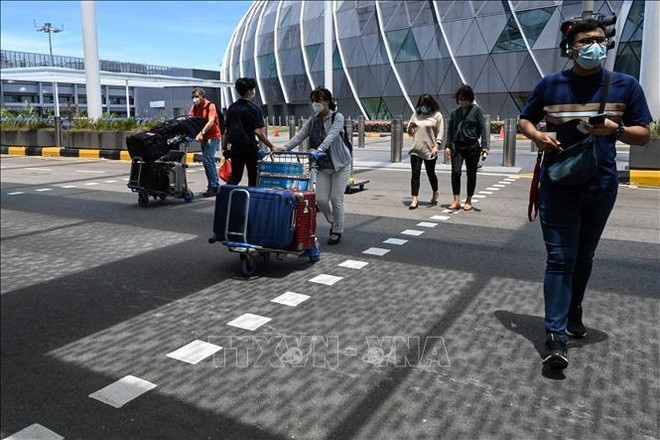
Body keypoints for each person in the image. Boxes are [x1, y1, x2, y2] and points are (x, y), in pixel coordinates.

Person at [519, 18, 652, 370]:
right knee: (560, 259)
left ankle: (574, 306)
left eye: (600, 39)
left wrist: (616, 128)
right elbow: (524, 119)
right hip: (558, 183)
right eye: (587, 41)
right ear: (570, 48)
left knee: (585, 256)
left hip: (601, 185)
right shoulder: (550, 85)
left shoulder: (625, 86)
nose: (596, 46)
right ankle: (555, 337)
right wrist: (537, 136)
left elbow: (644, 135)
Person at [277, 86, 351, 245]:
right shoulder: (312, 120)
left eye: (319, 101)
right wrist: (284, 148)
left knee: (336, 198)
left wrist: (320, 149)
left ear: (327, 102)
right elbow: (300, 136)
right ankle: (333, 221)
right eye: (313, 101)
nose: (316, 104)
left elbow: (332, 135)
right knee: (322, 200)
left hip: (341, 164)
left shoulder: (337, 117)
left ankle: (337, 229)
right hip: (323, 166)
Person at [223, 77, 277, 186]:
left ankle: (226, 197)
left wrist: (225, 147)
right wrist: (271, 146)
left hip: (235, 147)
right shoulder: (254, 109)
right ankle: (251, 200)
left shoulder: (232, 108)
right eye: (252, 89)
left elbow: (227, 130)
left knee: (235, 176)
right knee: (253, 176)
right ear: (249, 91)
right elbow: (257, 132)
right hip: (249, 148)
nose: (253, 91)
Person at [445, 84, 489, 211]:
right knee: (455, 172)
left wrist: (484, 146)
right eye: (461, 98)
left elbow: (482, 128)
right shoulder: (455, 113)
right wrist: (448, 146)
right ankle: (456, 199)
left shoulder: (477, 111)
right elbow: (450, 131)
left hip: (472, 146)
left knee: (471, 174)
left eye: (465, 99)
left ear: (470, 99)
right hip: (457, 146)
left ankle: (469, 200)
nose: (463, 101)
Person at [406, 94, 444, 209]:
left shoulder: (437, 116)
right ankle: (414, 198)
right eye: (422, 105)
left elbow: (440, 132)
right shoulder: (416, 114)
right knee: (415, 174)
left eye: (426, 105)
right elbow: (410, 132)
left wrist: (436, 146)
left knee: (430, 173)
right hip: (416, 149)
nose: (423, 107)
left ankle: (435, 192)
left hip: (429, 149)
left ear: (431, 104)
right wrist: (410, 127)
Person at [188, 87, 222, 197]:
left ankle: (214, 186)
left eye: (197, 97)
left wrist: (202, 132)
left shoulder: (210, 106)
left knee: (208, 160)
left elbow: (211, 121)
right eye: (193, 97)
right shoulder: (195, 107)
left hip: (212, 136)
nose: (195, 99)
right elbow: (189, 118)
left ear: (203, 96)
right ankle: (213, 185)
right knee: (207, 161)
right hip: (203, 137)